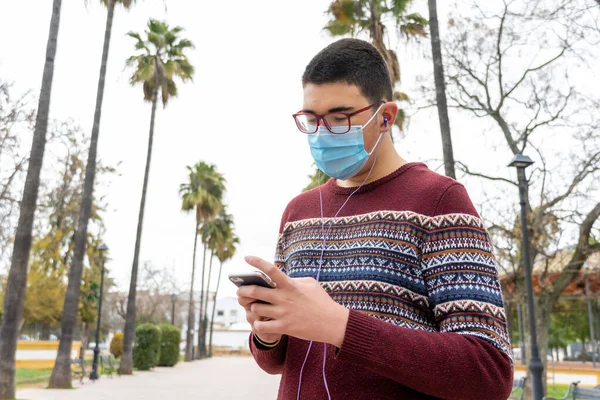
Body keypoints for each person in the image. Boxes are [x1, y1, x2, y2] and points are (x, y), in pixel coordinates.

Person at [237, 38, 513, 400]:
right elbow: (278, 362)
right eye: (311, 120)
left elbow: (489, 373)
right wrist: (266, 333)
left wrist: (341, 327)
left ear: (385, 116)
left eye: (340, 118)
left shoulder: (439, 201)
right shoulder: (297, 212)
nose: (322, 133)